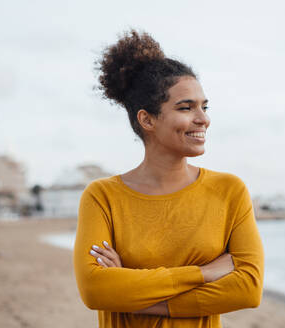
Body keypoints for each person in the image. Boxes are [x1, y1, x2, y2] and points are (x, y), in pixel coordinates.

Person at [73, 29, 264, 328]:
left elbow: (249, 288)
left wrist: (138, 293)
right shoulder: (102, 196)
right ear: (147, 119)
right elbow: (95, 289)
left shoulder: (229, 191)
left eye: (204, 106)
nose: (203, 118)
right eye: (186, 107)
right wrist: (203, 273)